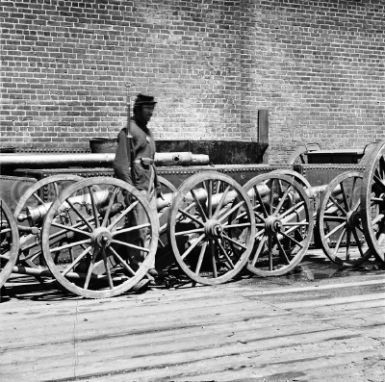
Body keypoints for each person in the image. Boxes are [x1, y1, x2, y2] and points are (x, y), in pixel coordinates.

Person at [113, 93, 161, 278]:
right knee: (139, 227)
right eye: (147, 110)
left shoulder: (147, 132)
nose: (150, 114)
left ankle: (150, 264)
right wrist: (130, 188)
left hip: (148, 183)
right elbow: (120, 164)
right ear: (138, 109)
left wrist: (156, 184)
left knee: (152, 225)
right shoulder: (128, 132)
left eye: (152, 110)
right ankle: (138, 265)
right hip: (137, 184)